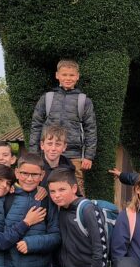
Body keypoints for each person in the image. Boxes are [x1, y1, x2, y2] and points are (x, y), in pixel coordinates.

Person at [29, 58, 97, 193]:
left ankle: (76, 214)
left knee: (75, 189)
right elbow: (36, 125)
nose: (68, 78)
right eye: (64, 74)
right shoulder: (47, 97)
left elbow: (91, 129)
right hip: (48, 153)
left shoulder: (84, 100)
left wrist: (89, 156)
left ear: (77, 76)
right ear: (57, 75)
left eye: (71, 75)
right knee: (44, 188)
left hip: (74, 154)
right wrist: (34, 154)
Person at [47, 168, 105, 267]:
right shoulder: (61, 210)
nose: (57, 195)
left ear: (74, 188)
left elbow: (100, 250)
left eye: (62, 189)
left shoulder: (87, 209)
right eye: (52, 191)